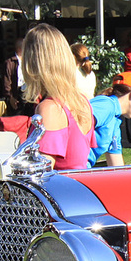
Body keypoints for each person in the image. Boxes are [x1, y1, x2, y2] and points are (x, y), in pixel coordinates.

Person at [22, 23, 94, 169]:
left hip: (58, 190)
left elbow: (41, 171)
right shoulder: (82, 101)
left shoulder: (51, 108)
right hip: (78, 188)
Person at [89, 71, 131, 167]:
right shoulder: (106, 105)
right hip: (68, 170)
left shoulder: (116, 121)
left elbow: (117, 167)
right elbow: (77, 125)